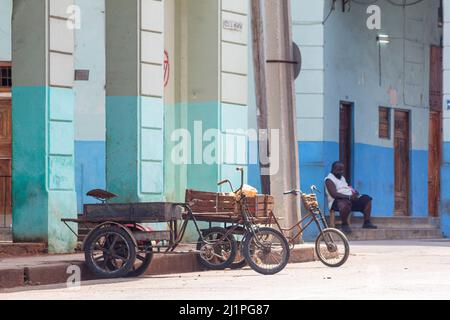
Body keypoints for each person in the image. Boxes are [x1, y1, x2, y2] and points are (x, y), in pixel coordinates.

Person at [325, 161, 378, 234]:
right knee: (344, 203)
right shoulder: (329, 179)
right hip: (336, 202)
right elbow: (334, 194)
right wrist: (349, 197)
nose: (341, 172)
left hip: (349, 198)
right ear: (333, 169)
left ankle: (367, 222)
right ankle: (344, 224)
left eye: (342, 170)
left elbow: (346, 188)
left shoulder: (342, 178)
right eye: (339, 170)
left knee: (367, 198)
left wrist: (354, 192)